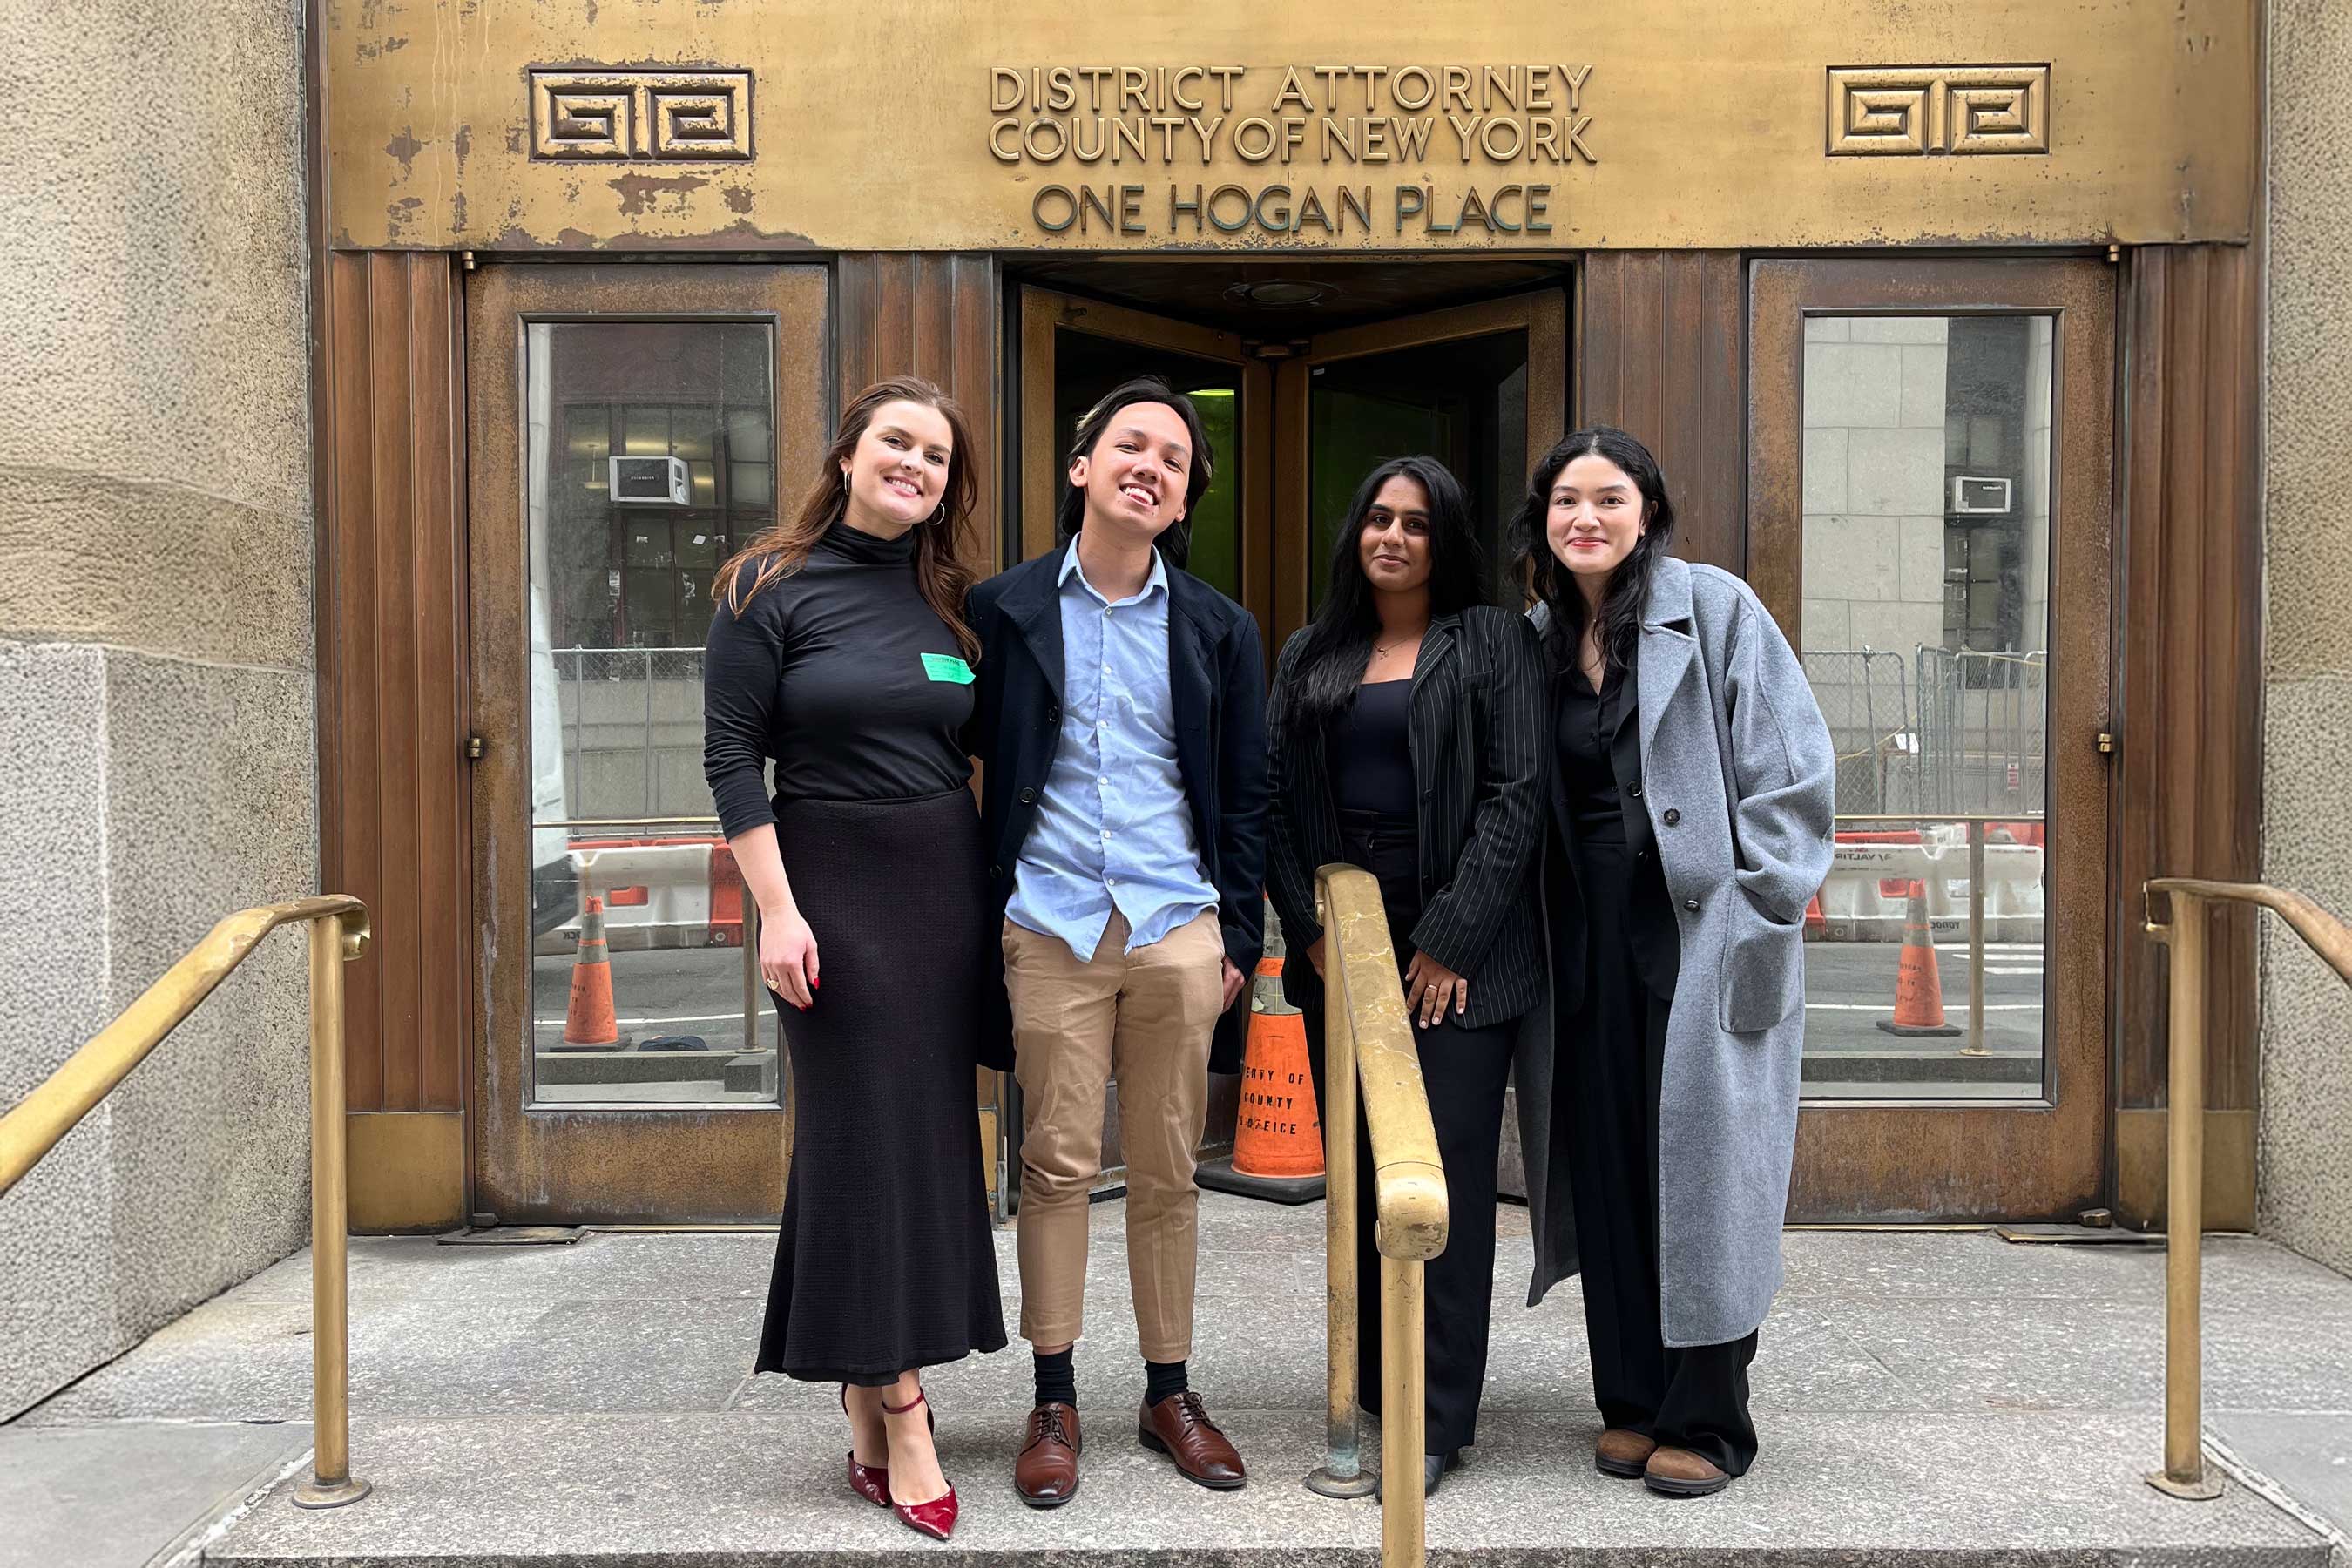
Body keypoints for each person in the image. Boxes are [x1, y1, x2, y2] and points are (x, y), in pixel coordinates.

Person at [702, 376, 1007, 1543]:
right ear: (847, 454)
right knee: (862, 1137)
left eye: (936, 456)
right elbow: (731, 757)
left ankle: (864, 1390)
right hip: (827, 884)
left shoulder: (950, 602)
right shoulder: (765, 585)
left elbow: (986, 744)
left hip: (943, 888)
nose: (915, 466)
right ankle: (905, 1405)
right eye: (898, 442)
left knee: (919, 1140)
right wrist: (777, 912)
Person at [1511, 426, 1835, 1499]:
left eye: (1609, 498)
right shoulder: (1541, 635)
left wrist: (1765, 903)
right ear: (1544, 520)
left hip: (1702, 931)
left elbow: (1792, 771)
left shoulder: (1715, 608)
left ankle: (1709, 1418)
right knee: (1606, 1160)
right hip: (1585, 936)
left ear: (1646, 511)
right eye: (1567, 501)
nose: (1586, 518)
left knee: (1703, 1171)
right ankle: (1631, 1401)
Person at [964, 375, 1268, 1508]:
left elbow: (1245, 793)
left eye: (1173, 461)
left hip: (1174, 925)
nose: (1151, 466)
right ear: (1083, 467)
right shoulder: (1001, 610)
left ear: (1182, 502)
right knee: (1053, 1164)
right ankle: (1054, 1400)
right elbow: (954, 751)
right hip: (1049, 923)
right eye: (1131, 445)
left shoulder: (1220, 628)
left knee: (1168, 1168)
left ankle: (1169, 1392)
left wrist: (1234, 936)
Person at [1264, 455, 1546, 1497]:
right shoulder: (1312, 651)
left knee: (1443, 1178)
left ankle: (1437, 1419)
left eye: (1417, 524)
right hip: (1346, 947)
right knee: (1363, 1176)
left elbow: (1517, 795)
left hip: (1457, 954)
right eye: (1379, 517)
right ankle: (1382, 1384)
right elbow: (1275, 801)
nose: (1392, 536)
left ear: (1446, 541)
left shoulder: (1494, 641)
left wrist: (1451, 939)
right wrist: (1313, 932)